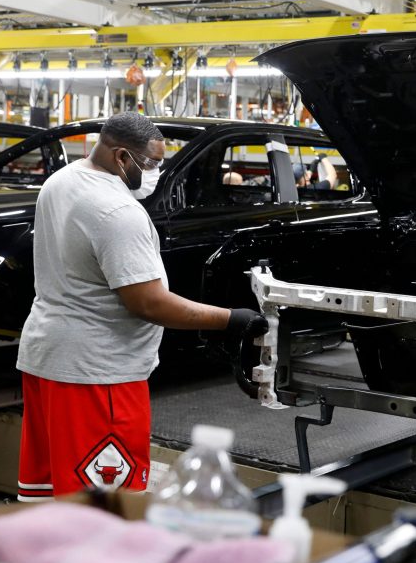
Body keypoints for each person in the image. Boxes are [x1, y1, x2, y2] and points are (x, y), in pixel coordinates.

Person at [15, 112, 268, 502]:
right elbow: (148, 303)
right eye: (150, 163)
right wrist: (232, 319)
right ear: (121, 157)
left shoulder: (61, 181)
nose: (155, 171)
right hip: (99, 377)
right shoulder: (118, 212)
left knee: (55, 500)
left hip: (47, 359)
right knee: (107, 507)